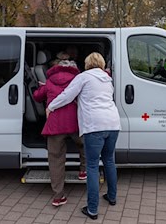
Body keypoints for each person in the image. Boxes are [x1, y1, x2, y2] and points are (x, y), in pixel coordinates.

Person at [46, 52, 121, 220]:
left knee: (93, 166)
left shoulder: (83, 77)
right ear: (101, 64)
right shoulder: (108, 79)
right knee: (109, 160)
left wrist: (51, 106)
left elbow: (67, 95)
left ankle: (93, 209)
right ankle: (112, 197)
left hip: (95, 125)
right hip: (113, 124)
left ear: (87, 64)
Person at [33, 51, 87, 207]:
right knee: (85, 144)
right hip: (74, 122)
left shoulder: (49, 82)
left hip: (55, 125)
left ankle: (58, 196)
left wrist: (40, 87)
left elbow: (37, 97)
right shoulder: (78, 81)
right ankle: (83, 171)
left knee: (56, 160)